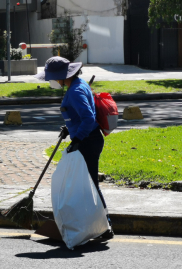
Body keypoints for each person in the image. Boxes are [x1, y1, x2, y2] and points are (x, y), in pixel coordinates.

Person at [36, 56, 114, 239]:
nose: (51, 82)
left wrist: (77, 137)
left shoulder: (76, 91)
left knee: (91, 185)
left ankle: (106, 226)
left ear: (63, 76)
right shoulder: (78, 84)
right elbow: (80, 116)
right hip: (88, 139)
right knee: (85, 185)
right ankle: (93, 224)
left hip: (88, 141)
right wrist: (69, 128)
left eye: (52, 78)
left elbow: (88, 118)